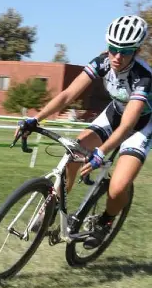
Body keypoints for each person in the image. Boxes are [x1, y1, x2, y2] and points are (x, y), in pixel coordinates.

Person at [17, 15, 151, 248]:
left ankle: (106, 221)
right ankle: (56, 204)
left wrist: (102, 152)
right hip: (114, 113)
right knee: (75, 151)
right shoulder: (102, 62)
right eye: (113, 49)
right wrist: (35, 119)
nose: (118, 57)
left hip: (140, 124)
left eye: (126, 51)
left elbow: (128, 125)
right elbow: (68, 95)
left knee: (118, 187)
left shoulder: (144, 77)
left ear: (137, 50)